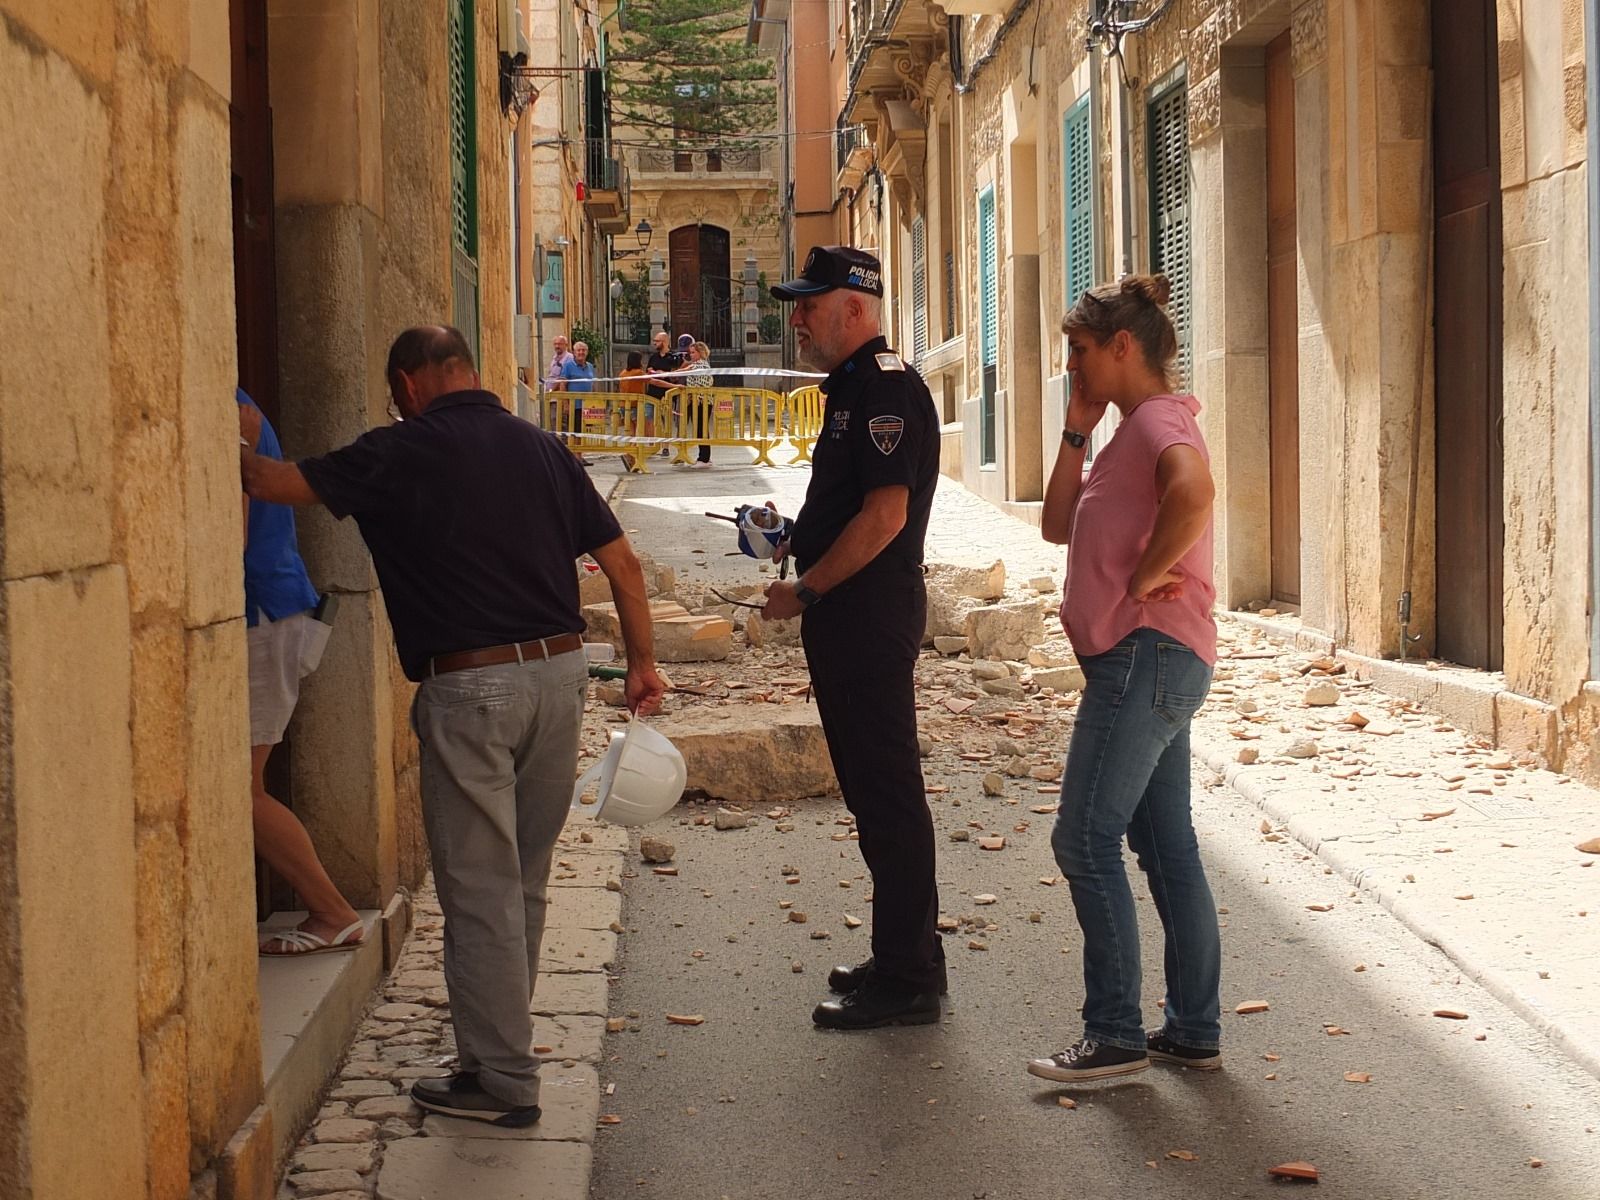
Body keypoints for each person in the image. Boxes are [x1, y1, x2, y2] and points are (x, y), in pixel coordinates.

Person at [240, 325, 666, 1127]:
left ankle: (502, 1081)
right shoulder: (545, 449)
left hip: (472, 690)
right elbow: (624, 565)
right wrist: (642, 663)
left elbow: (273, 484)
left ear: (408, 383)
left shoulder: (396, 451)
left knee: (478, 890)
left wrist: (236, 431)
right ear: (469, 369)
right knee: (522, 882)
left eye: (396, 390)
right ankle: (490, 1051)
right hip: (560, 677)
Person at [1027, 274, 1221, 1083]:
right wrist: (1076, 432)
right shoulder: (1125, 429)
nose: (1072, 365)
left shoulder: (1159, 421)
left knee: (1083, 837)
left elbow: (1196, 492)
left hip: (1144, 658)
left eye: (1078, 351)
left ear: (1122, 348)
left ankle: (1113, 1033)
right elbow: (1054, 526)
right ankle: (1193, 1029)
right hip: (1152, 661)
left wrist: (1148, 574)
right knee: (1163, 841)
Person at [761, 246, 943, 1029]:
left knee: (889, 796)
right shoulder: (851, 388)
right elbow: (848, 504)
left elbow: (885, 516)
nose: (797, 318)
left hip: (866, 614)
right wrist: (792, 534)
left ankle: (907, 981)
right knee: (874, 798)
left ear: (857, 307)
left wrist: (805, 588)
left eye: (810, 303)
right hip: (852, 614)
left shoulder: (885, 387)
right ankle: (906, 956)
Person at [236, 389, 365, 957]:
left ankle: (331, 911)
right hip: (272, 607)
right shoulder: (239, 403)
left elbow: (230, 533)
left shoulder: (232, 408)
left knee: (242, 787)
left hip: (261, 612)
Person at [644, 330, 681, 458]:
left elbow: (676, 377)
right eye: (654, 341)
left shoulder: (674, 357)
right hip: (652, 393)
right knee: (648, 419)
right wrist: (651, 371)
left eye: (657, 341)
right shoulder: (653, 357)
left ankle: (665, 447)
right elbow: (647, 372)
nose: (654, 343)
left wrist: (664, 374)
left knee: (666, 421)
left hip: (667, 394)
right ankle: (651, 445)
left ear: (664, 342)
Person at [682, 339, 715, 467]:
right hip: (696, 401)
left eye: (693, 352)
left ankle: (704, 459)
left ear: (700, 353)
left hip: (702, 401)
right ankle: (704, 457)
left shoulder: (701, 365)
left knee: (701, 429)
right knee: (700, 429)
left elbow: (687, 372)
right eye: (690, 352)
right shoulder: (696, 365)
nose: (691, 355)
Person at [619, 351, 650, 471]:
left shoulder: (623, 373)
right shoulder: (638, 373)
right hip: (635, 406)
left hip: (623, 406)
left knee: (631, 433)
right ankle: (629, 455)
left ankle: (631, 459)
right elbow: (653, 381)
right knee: (639, 432)